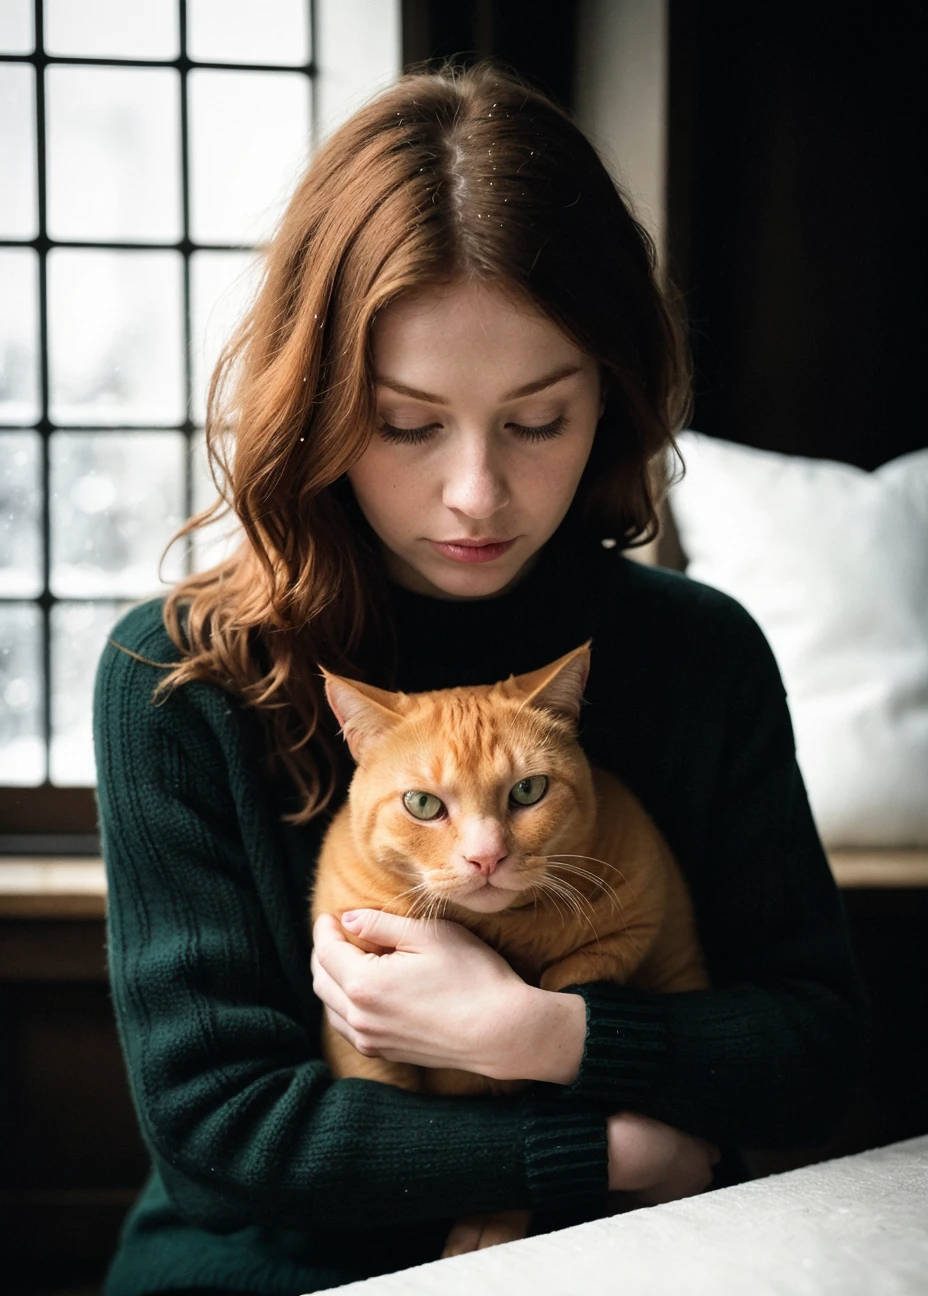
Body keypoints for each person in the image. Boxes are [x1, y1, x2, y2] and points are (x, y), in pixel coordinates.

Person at [93, 61, 866, 1296]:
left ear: (608, 398)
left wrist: (541, 1033)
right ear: (319, 401)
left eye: (537, 419)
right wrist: (604, 1145)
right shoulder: (179, 676)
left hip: (641, 1261)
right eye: (406, 425)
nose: (474, 493)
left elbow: (814, 1052)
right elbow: (219, 1138)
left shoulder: (696, 651)